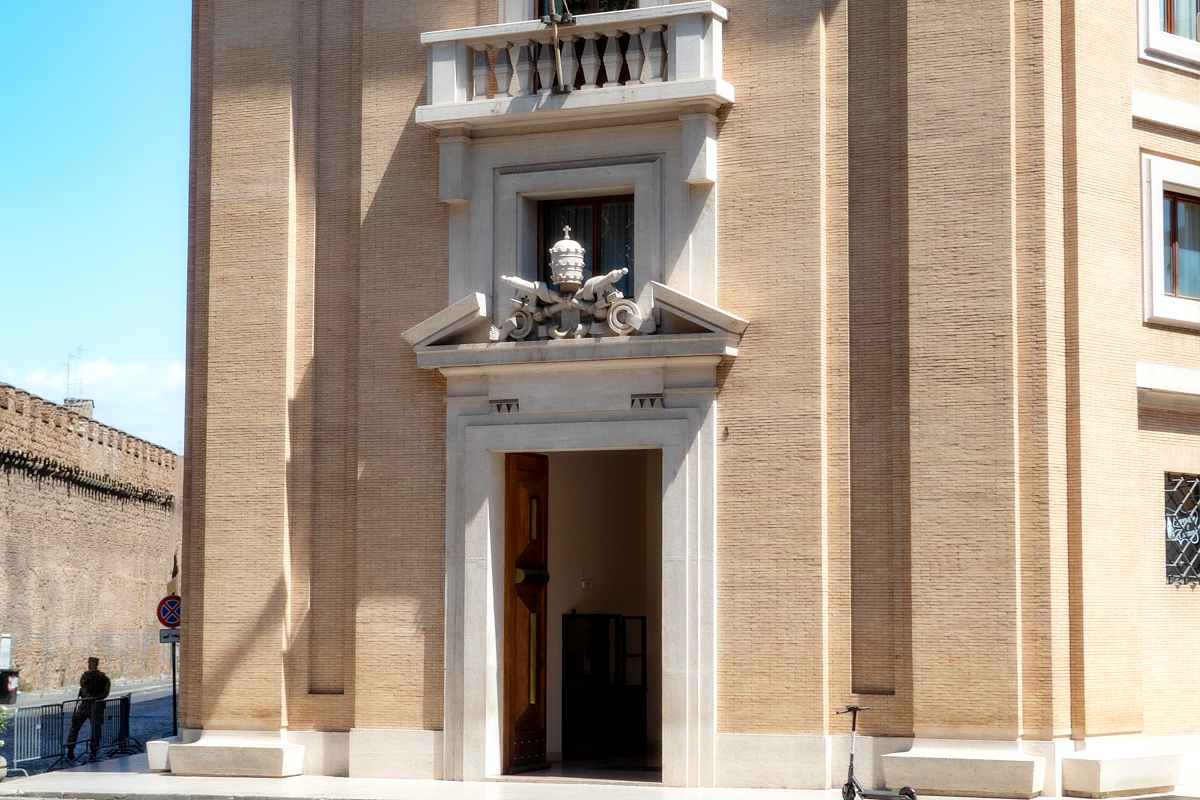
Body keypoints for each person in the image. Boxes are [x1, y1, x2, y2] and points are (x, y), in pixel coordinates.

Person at [65, 657, 110, 760]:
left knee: (75, 728)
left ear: (90, 664)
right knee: (96, 730)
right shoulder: (104, 678)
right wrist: (96, 698)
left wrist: (90, 698)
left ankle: (70, 750)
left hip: (86, 705)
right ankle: (94, 751)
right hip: (97, 706)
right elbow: (105, 693)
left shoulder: (86, 676)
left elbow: (83, 689)